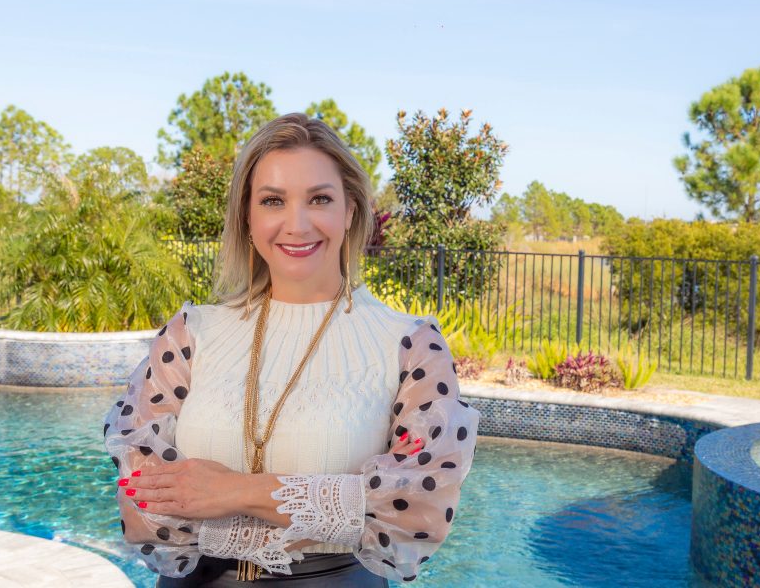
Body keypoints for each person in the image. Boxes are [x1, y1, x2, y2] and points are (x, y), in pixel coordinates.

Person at [103, 113, 480, 586]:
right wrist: (348, 503)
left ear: (350, 212)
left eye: (319, 199)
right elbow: (142, 506)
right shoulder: (189, 334)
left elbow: (418, 511)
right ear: (247, 216)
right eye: (273, 200)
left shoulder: (411, 345)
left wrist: (231, 493)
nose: (297, 225)